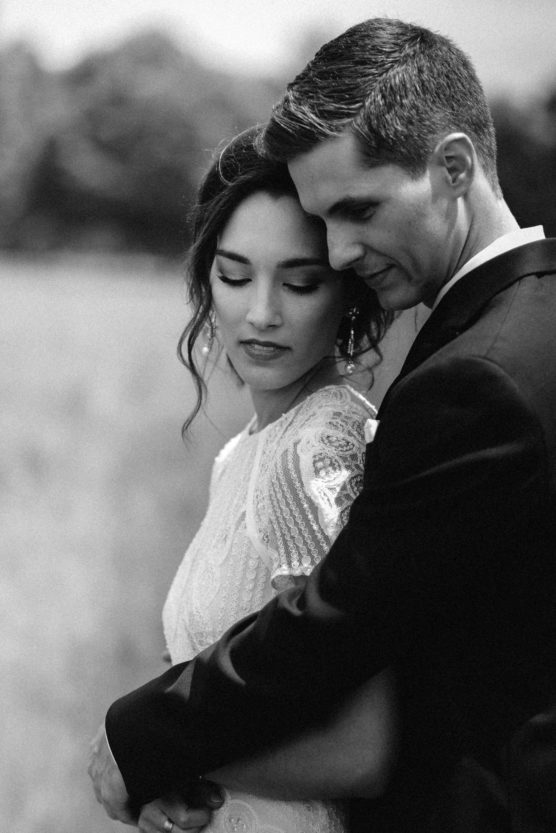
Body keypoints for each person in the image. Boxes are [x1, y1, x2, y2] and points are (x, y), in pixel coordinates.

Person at [90, 18, 556, 832]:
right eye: (323, 220)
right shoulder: (518, 324)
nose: (341, 252)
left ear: (453, 167)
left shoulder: (478, 374)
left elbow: (334, 621)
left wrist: (142, 742)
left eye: (358, 210)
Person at [89, 126, 397, 833]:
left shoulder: (318, 452)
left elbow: (359, 752)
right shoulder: (244, 453)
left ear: (348, 292)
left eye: (300, 282)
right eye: (233, 276)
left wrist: (151, 758)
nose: (261, 313)